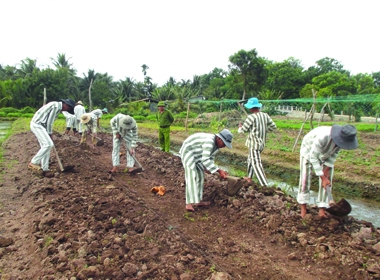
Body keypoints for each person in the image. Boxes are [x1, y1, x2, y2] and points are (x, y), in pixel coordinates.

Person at [297, 124, 358, 218]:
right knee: (305, 178)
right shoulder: (322, 137)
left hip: (325, 155)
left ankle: (322, 210)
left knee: (327, 182)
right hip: (309, 150)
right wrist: (322, 177)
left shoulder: (341, 142)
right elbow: (313, 157)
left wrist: (326, 171)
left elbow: (333, 155)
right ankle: (303, 210)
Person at [179, 129, 233, 212]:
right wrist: (219, 170)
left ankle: (198, 201)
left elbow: (210, 158)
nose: (224, 146)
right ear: (219, 139)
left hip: (197, 154)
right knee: (191, 175)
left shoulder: (216, 147)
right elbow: (205, 159)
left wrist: (208, 168)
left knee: (200, 175)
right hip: (188, 151)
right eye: (224, 143)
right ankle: (188, 204)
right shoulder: (209, 142)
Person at [28, 99, 76, 177]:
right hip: (37, 124)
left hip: (41, 126)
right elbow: (49, 122)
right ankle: (34, 162)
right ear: (66, 105)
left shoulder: (56, 106)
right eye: (69, 109)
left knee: (46, 147)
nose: (67, 110)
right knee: (48, 144)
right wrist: (50, 134)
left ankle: (45, 169)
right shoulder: (55, 106)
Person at [238, 97, 277, 187]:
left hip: (254, 144)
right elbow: (273, 126)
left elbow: (243, 131)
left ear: (251, 108)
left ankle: (264, 184)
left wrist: (240, 127)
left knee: (256, 163)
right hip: (261, 143)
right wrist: (264, 129)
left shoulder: (250, 117)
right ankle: (249, 177)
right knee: (250, 160)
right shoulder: (265, 115)